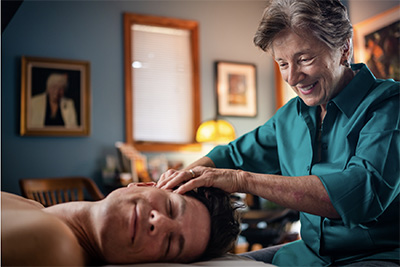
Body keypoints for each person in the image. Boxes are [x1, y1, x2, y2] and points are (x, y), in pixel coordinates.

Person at [157, 0, 400, 266]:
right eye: (282, 63)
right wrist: (177, 183)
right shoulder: (290, 116)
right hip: (307, 255)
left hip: (378, 257)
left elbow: (360, 193)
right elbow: (232, 155)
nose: (293, 77)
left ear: (344, 48)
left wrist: (241, 180)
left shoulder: (389, 105)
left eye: (304, 59)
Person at [1, 184, 240, 266]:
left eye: (169, 243)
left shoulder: (54, 245)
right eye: (170, 207)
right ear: (143, 184)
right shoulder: (33, 208)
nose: (159, 223)